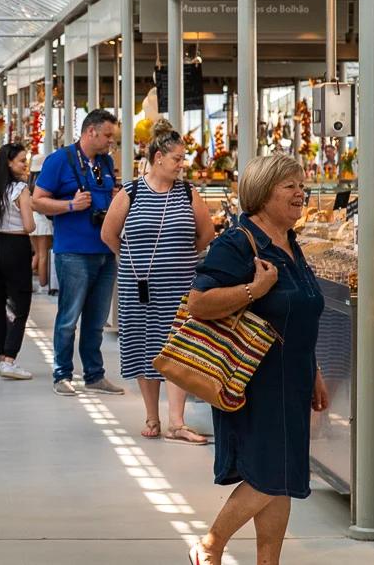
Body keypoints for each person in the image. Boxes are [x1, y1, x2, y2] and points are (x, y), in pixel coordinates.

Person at [185, 155, 328, 565]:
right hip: (255, 380)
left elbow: (299, 316)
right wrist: (255, 289)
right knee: (271, 473)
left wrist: (314, 368)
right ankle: (211, 545)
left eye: (303, 184)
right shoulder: (238, 243)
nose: (302, 193)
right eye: (290, 186)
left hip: (293, 377)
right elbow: (199, 302)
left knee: (280, 480)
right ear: (264, 193)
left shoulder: (290, 243)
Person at [100, 119, 215, 444]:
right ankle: (152, 417)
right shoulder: (131, 192)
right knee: (143, 346)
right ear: (158, 158)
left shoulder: (188, 193)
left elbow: (206, 234)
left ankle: (177, 422)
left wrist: (181, 257)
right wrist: (130, 259)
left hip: (179, 287)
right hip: (139, 287)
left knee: (177, 350)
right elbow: (108, 234)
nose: (182, 164)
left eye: (183, 159)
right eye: (177, 158)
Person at [32, 109, 125, 396]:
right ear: (91, 131)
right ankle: (62, 374)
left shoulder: (106, 163)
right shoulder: (60, 160)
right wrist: (70, 206)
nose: (111, 141)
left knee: (96, 320)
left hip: (105, 251)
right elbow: (37, 201)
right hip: (73, 252)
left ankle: (94, 375)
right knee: (69, 318)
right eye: (108, 135)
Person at [0, 143, 36, 380]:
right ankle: (10, 360)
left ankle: (2, 356)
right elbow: (30, 225)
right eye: (22, 160)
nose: (25, 165)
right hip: (16, 246)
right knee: (20, 304)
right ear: (10, 163)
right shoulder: (21, 189)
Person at [29, 151, 54, 295]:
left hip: (33, 220)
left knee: (37, 254)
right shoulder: (43, 181)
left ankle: (27, 278)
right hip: (43, 221)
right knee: (43, 254)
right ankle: (43, 284)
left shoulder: (29, 181)